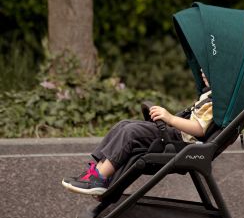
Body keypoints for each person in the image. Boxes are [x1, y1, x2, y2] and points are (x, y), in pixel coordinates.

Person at [62, 70, 213, 196]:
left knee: (130, 132)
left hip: (181, 142)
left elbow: (199, 128)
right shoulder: (208, 94)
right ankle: (97, 173)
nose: (201, 70)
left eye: (207, 69)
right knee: (123, 124)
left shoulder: (215, 103)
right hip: (176, 134)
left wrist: (170, 118)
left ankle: (100, 178)